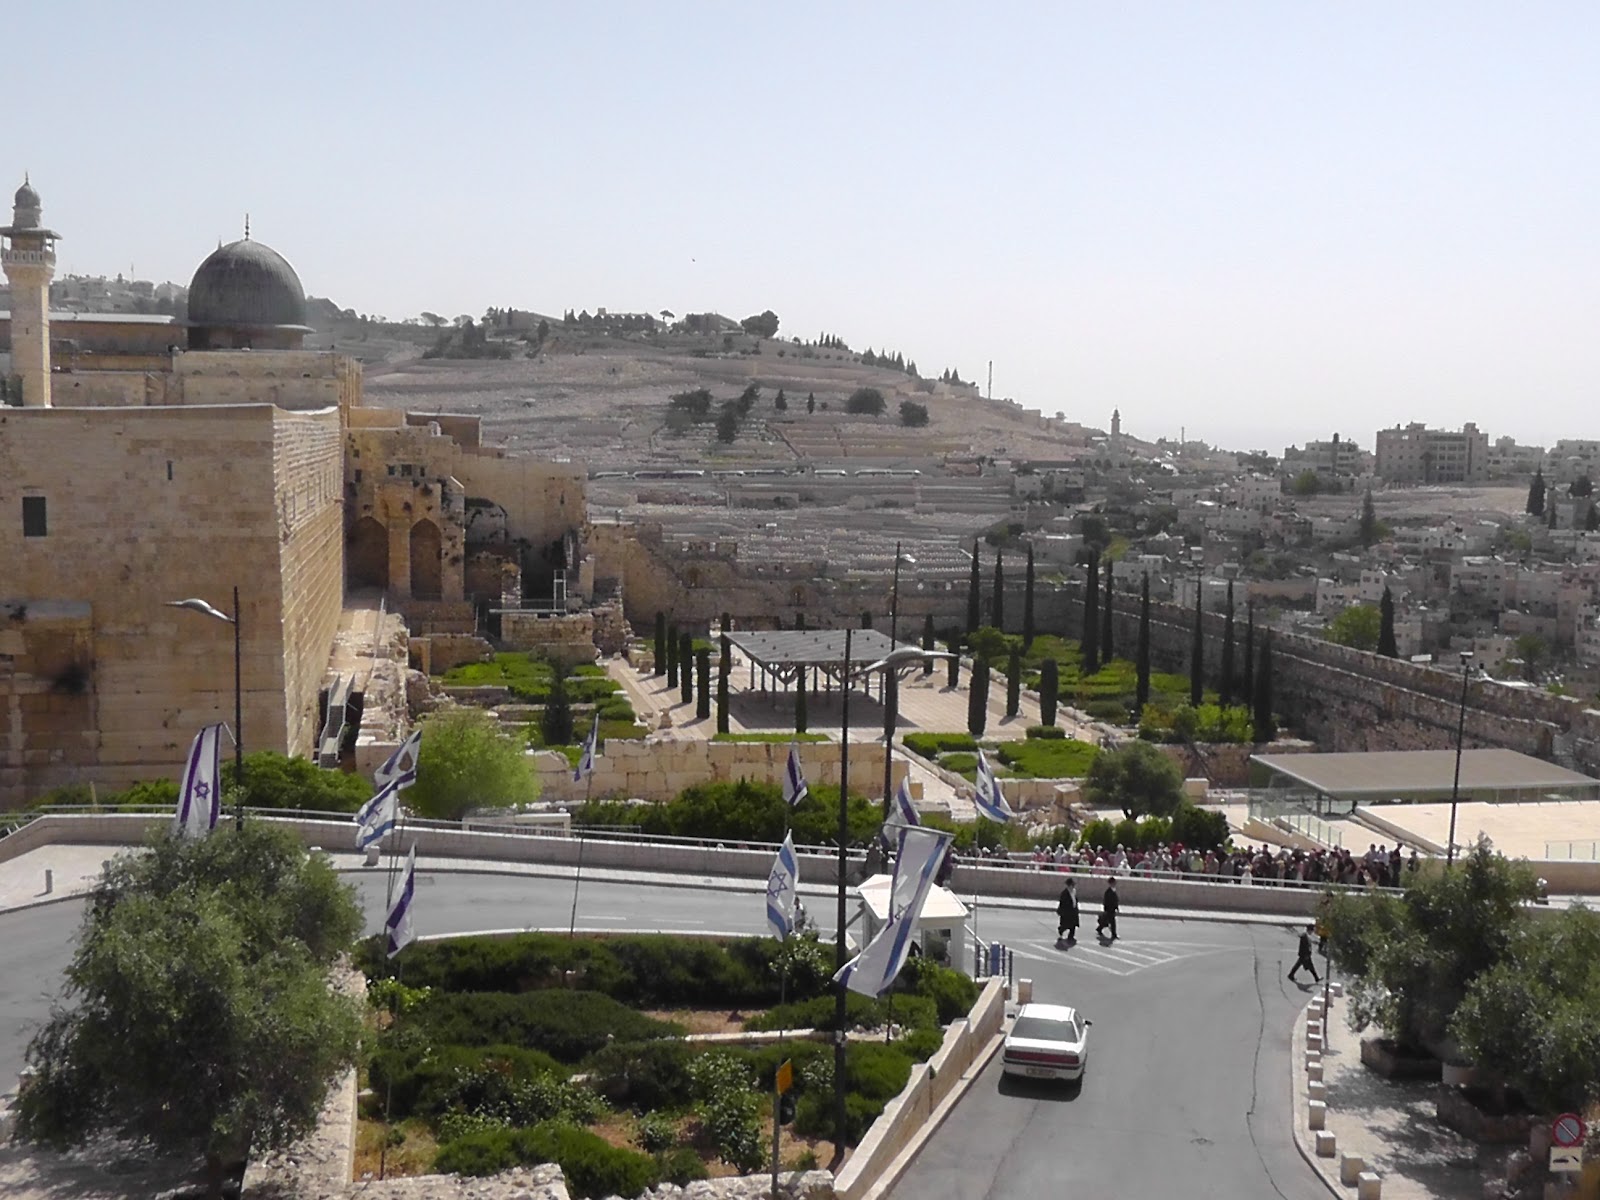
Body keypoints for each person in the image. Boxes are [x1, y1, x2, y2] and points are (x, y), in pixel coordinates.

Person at [1057, 879, 1079, 945]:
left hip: (1073, 910)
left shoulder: (1074, 891)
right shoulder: (1064, 893)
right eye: (1072, 885)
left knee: (1074, 924)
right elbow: (1062, 903)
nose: (1073, 886)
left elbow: (1075, 900)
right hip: (1067, 912)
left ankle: (1071, 936)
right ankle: (1061, 929)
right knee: (1066, 924)